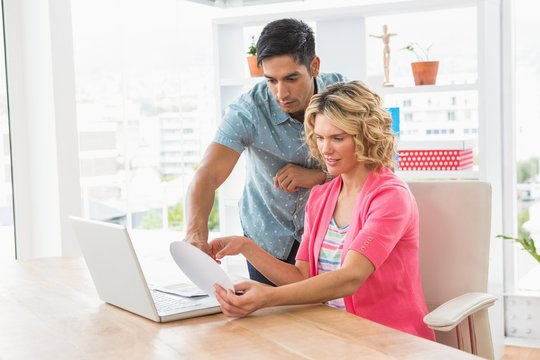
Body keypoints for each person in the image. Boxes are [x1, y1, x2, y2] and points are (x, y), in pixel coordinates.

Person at [210, 81, 436, 341]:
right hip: (335, 335)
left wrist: (268, 297)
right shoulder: (321, 197)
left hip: (390, 340)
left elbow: (351, 277)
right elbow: (302, 277)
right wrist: (244, 246)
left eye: (337, 138)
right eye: (320, 137)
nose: (325, 149)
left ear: (366, 136)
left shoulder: (390, 196)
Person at [183, 18, 346, 285]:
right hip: (266, 237)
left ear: (314, 66)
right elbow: (207, 174)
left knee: (326, 320)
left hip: (328, 237)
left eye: (291, 78)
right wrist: (195, 233)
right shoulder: (249, 108)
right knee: (270, 322)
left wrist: (318, 177)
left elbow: (375, 164)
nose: (281, 92)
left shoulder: (342, 97)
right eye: (271, 80)